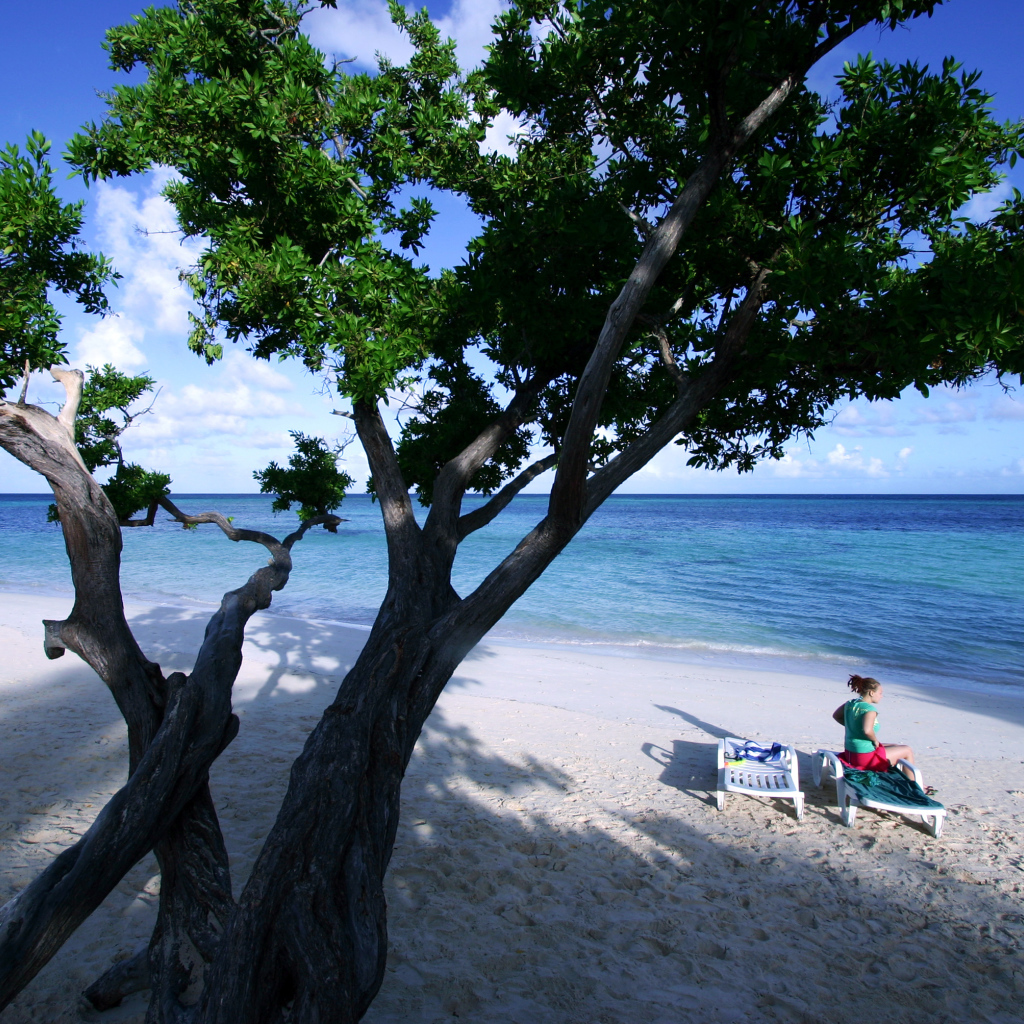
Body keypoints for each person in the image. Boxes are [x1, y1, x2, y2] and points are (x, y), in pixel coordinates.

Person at [831, 674, 915, 775]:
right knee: (907, 750)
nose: (881, 696)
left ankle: (909, 778)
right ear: (871, 693)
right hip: (864, 758)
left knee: (895, 746)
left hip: (851, 753)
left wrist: (854, 727)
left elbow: (836, 716)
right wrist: (874, 740)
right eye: (880, 693)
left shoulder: (850, 703)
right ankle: (917, 785)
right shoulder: (869, 710)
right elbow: (867, 731)